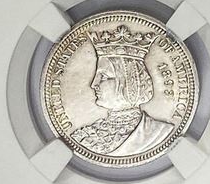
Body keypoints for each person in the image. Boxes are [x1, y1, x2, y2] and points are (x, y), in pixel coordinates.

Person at [71, 25, 174, 156]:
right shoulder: (84, 137)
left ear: (129, 81)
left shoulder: (160, 132)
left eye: (103, 77)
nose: (93, 84)